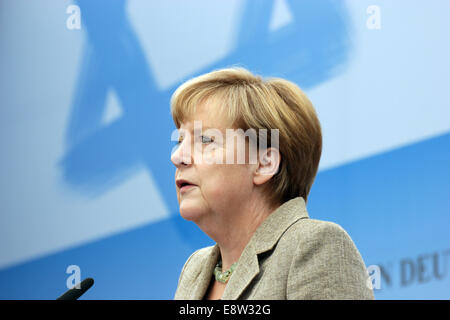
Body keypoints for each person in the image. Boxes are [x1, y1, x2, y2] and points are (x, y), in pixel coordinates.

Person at [170, 67, 374, 300]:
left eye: (205, 139)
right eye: (180, 140)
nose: (177, 157)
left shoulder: (311, 246)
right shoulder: (194, 270)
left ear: (264, 163)